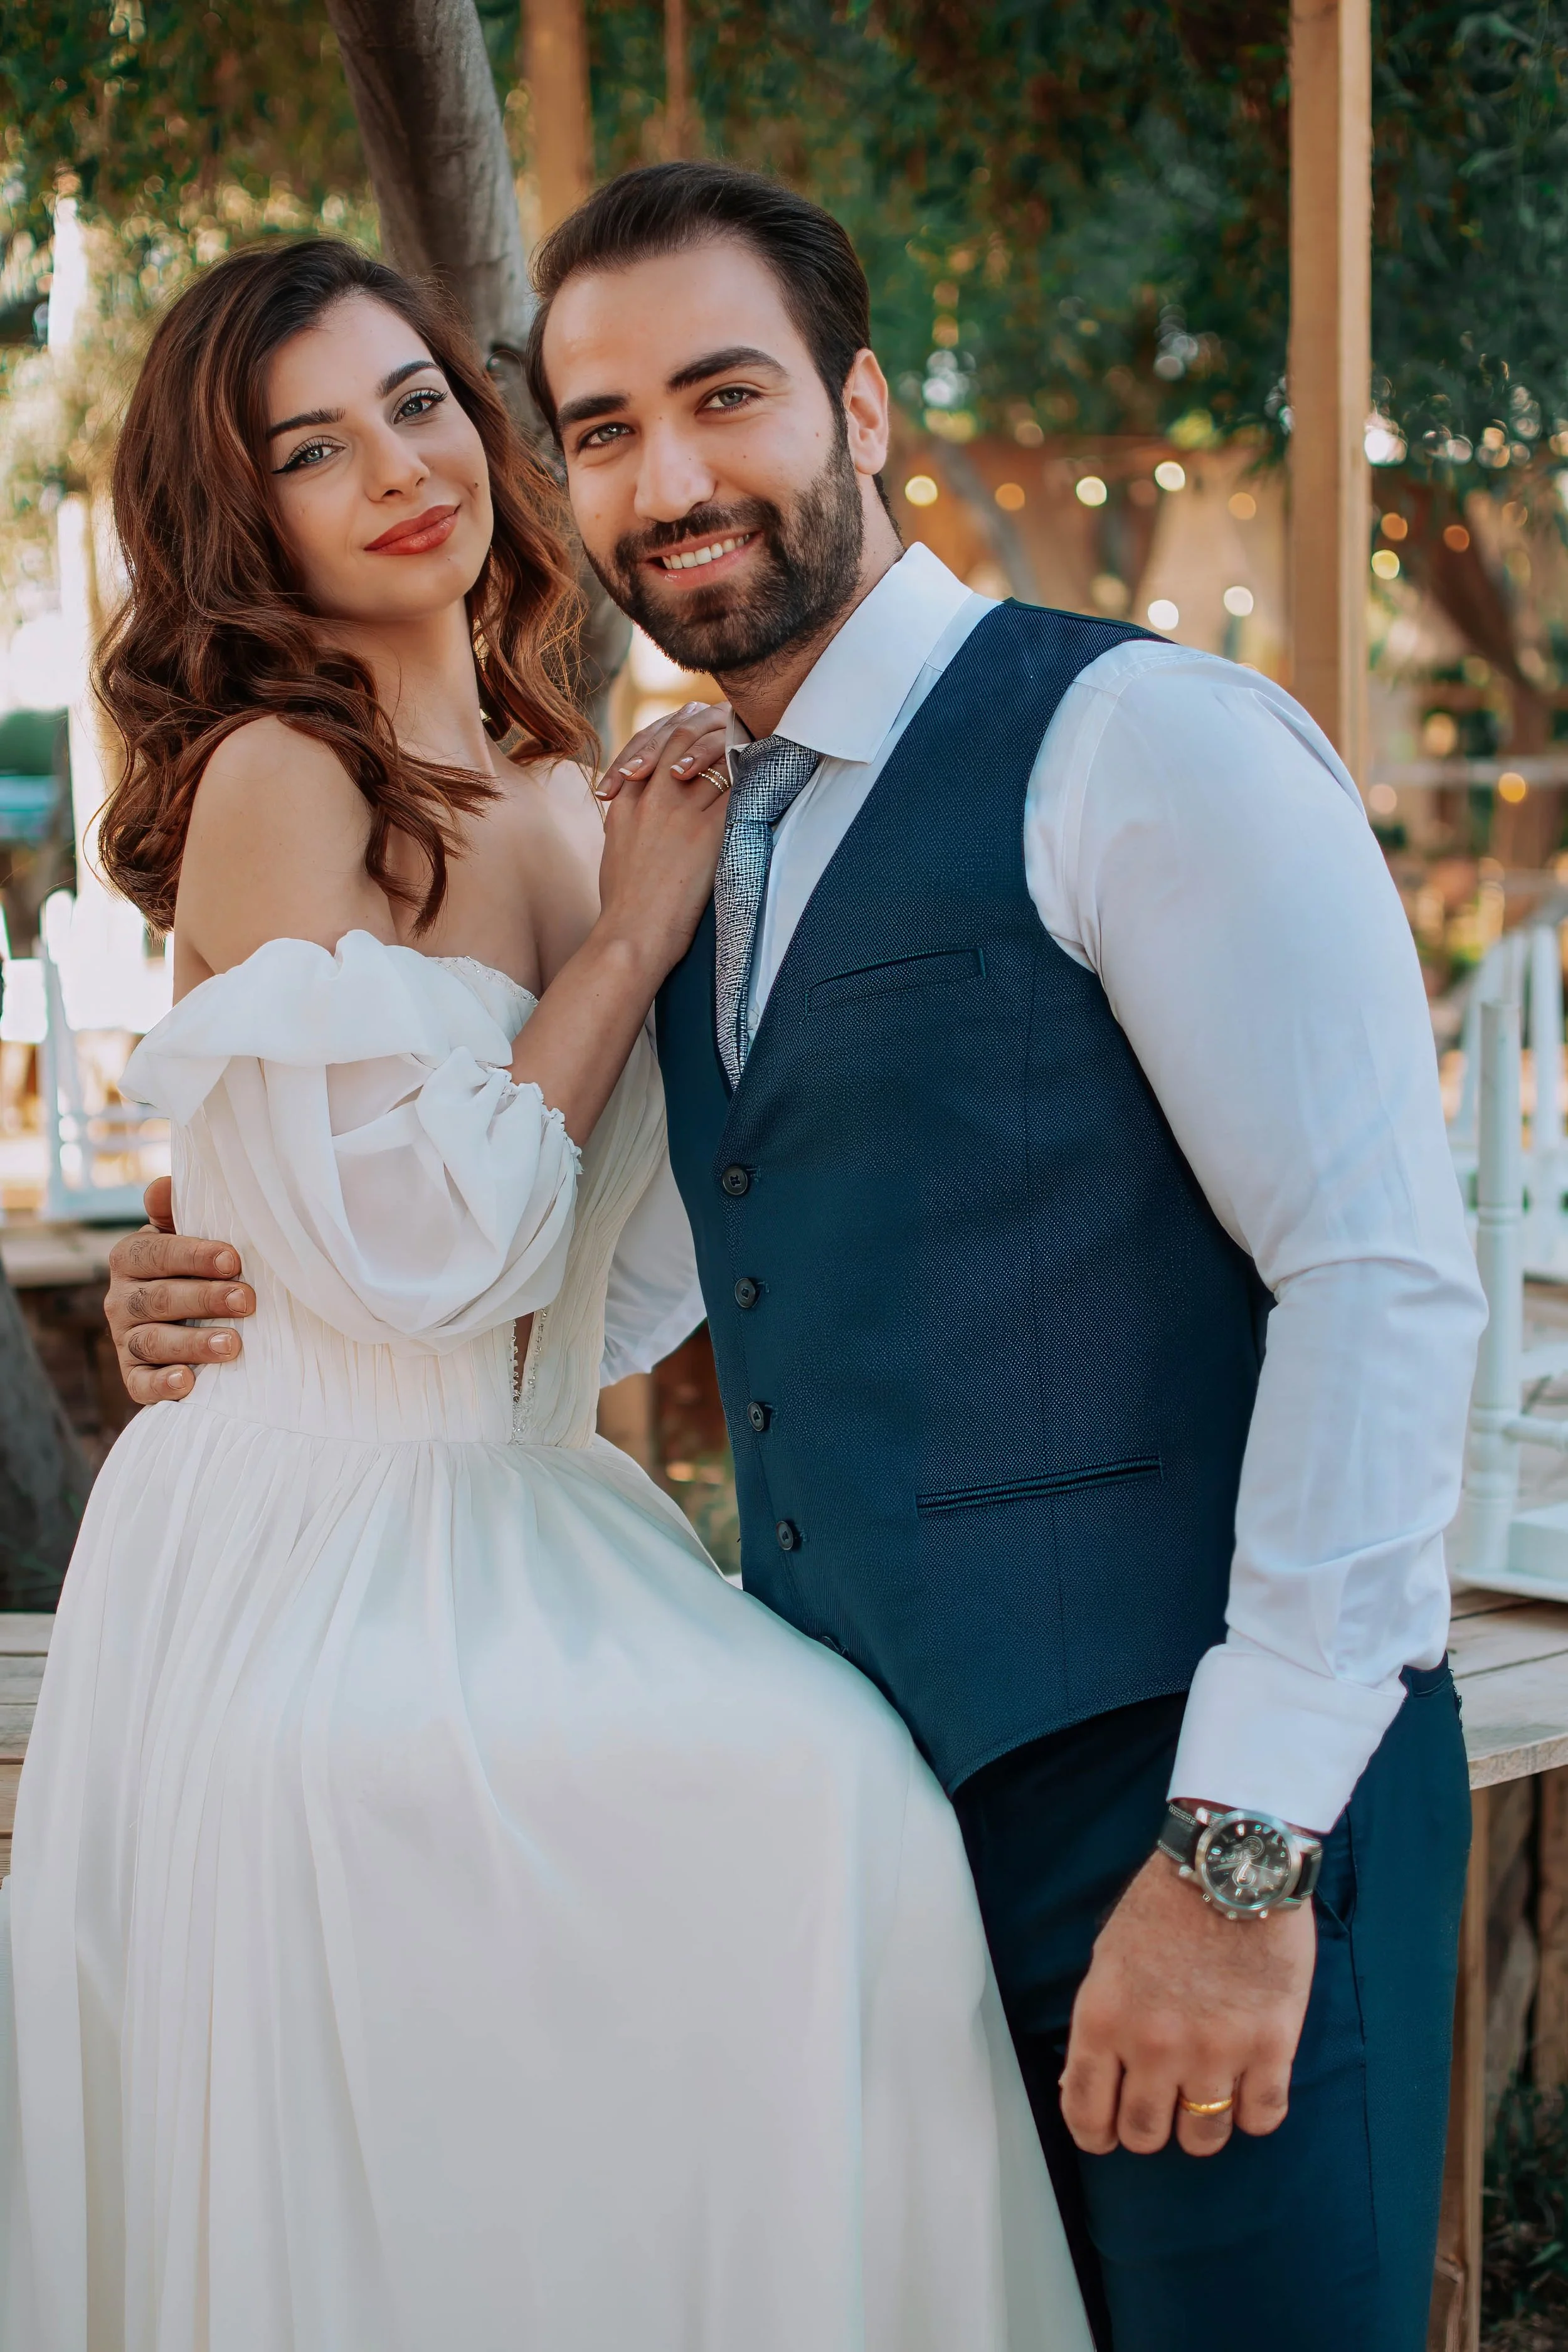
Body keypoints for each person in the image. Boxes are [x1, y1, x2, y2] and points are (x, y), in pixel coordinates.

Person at [103, 164, 1486, 2351]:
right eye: (607, 424)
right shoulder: (678, 818)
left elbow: (1381, 1279)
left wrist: (1237, 1855)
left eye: (725, 394)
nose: (670, 476)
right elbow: (638, 1266)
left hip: (1196, 1801)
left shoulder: (1141, 741)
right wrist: (239, 1264)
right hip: (896, 1811)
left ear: (859, 408)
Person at [1, 236, 1089, 2352]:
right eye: (312, 449)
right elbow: (410, 1265)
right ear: (249, 520)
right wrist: (623, 949)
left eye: (418, 401)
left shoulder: (569, 777)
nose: (400, 466)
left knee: (843, 1803)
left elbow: (623, 1268)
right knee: (775, 1813)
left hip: (522, 1499)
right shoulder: (274, 778)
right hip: (312, 1537)